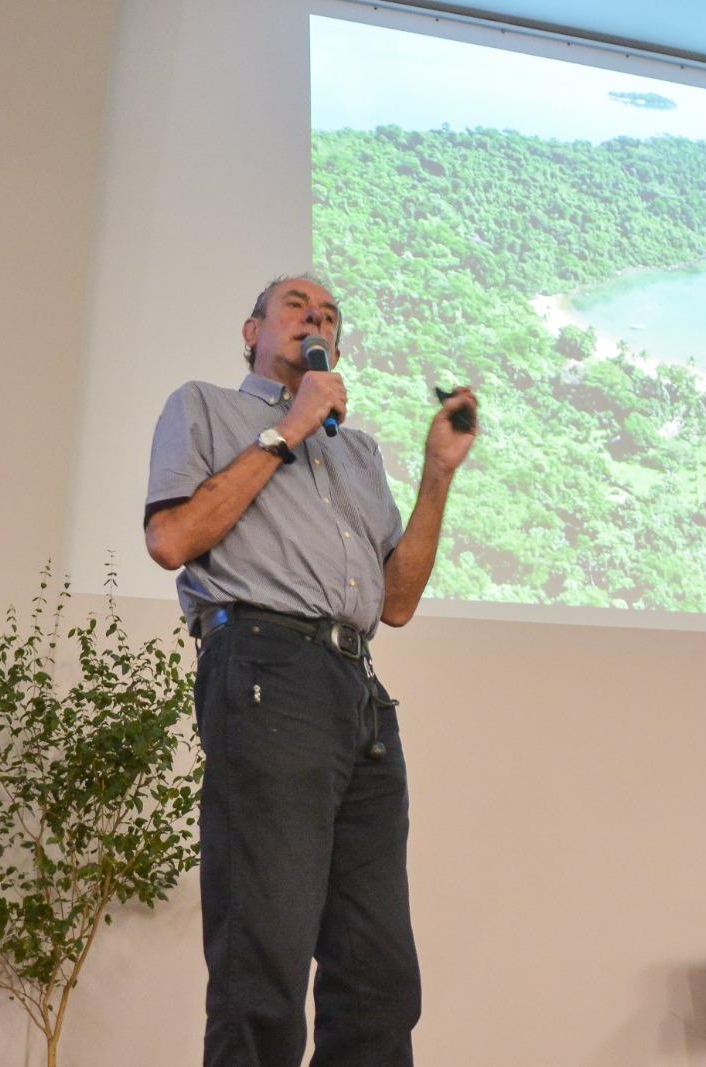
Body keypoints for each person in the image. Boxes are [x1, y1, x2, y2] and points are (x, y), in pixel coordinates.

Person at [143, 274, 477, 1066]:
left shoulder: (357, 453)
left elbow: (395, 601)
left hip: (357, 694)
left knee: (378, 972)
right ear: (251, 329)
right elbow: (173, 538)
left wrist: (437, 473)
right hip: (267, 672)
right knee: (266, 951)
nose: (315, 319)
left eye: (329, 315)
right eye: (297, 307)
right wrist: (287, 429)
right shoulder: (204, 407)